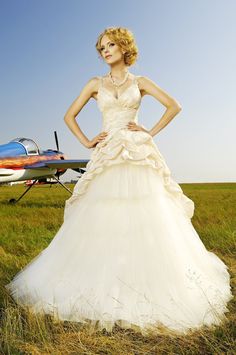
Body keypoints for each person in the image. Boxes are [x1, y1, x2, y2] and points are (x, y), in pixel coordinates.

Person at [5, 26, 233, 336]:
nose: (105, 51)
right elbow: (69, 115)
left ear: (124, 47)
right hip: (108, 150)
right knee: (101, 215)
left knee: (148, 213)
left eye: (110, 45)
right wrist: (87, 141)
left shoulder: (141, 82)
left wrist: (149, 132)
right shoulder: (95, 84)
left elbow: (174, 106)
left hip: (137, 151)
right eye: (101, 48)